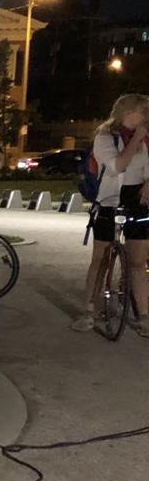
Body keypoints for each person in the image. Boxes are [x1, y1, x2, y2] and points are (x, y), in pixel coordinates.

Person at [73, 94, 149, 332]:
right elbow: (117, 166)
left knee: (138, 261)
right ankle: (88, 311)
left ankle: (144, 316)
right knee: (101, 258)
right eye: (143, 111)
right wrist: (136, 139)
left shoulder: (146, 138)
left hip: (138, 200)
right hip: (110, 199)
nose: (147, 116)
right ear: (128, 112)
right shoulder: (105, 137)